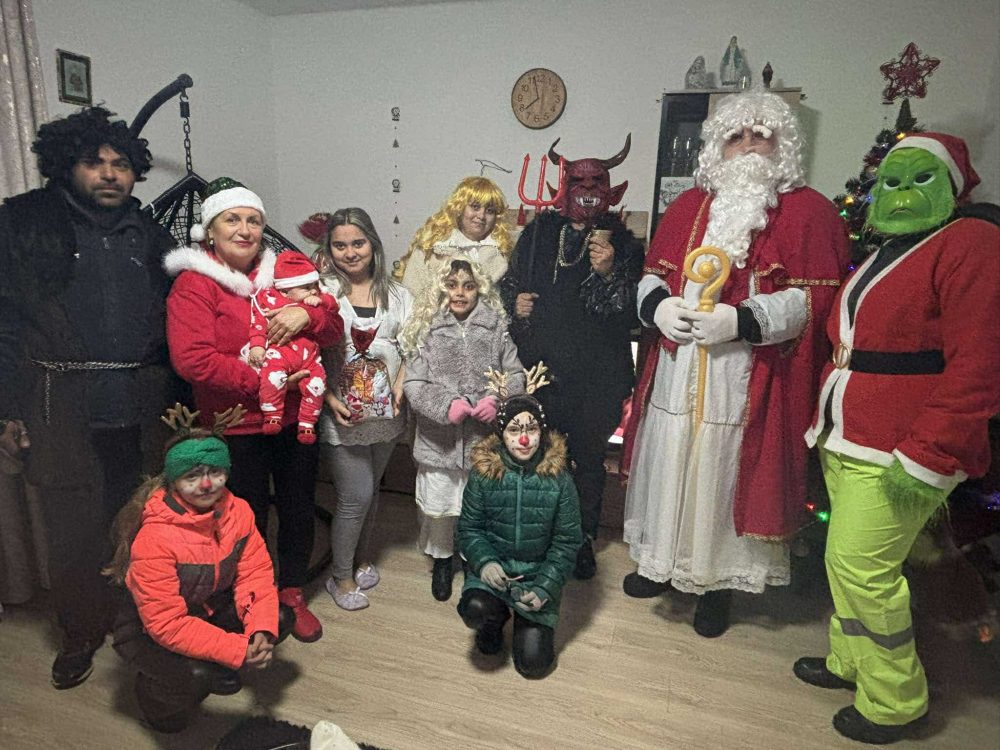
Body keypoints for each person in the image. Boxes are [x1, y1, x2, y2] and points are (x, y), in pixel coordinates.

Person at [620, 90, 850, 637]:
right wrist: (659, 307)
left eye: (760, 135)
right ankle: (660, 563)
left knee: (720, 471)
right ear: (717, 147)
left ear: (782, 144)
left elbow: (817, 300)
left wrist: (743, 320)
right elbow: (652, 274)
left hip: (743, 376)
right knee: (670, 457)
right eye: (735, 136)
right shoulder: (687, 206)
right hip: (676, 366)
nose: (747, 146)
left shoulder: (809, 211)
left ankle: (715, 584)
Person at [796, 133, 1000, 745]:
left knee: (864, 569)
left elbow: (980, 365)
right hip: (848, 435)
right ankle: (851, 662)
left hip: (899, 446)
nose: (903, 192)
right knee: (844, 562)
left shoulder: (970, 242)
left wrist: (929, 453)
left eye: (920, 178)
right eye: (892, 180)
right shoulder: (888, 248)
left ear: (953, 186)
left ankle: (895, 701)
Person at [0, 106, 176, 689]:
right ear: (65, 166)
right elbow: (5, 321)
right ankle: (80, 630)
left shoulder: (149, 234)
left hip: (140, 404)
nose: (108, 174)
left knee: (141, 519)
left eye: (120, 164)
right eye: (93, 162)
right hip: (60, 405)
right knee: (72, 528)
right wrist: (6, 409)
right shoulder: (26, 226)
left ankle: (143, 619)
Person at [164, 177, 343, 643]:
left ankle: (292, 593)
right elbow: (192, 360)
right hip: (236, 426)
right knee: (246, 516)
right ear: (210, 229)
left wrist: (308, 314)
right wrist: (265, 383)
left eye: (254, 220)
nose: (245, 229)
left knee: (298, 508)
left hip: (295, 421)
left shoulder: (284, 272)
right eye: (233, 219)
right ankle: (254, 595)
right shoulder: (194, 284)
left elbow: (333, 328)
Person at [500, 135, 644, 580]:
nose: (587, 188)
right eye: (578, 180)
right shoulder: (538, 233)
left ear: (610, 189)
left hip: (598, 377)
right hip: (544, 370)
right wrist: (516, 303)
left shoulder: (626, 244)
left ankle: (581, 538)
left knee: (588, 459)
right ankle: (541, 534)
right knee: (541, 454)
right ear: (564, 187)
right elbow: (510, 284)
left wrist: (608, 272)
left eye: (596, 181)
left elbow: (630, 314)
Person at [106, 407, 293, 733]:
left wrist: (259, 630)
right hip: (146, 630)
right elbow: (166, 624)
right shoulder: (155, 538)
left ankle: (209, 656)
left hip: (205, 606)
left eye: (215, 472)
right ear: (174, 480)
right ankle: (156, 698)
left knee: (277, 618)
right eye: (192, 476)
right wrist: (237, 649)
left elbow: (255, 575)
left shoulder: (239, 511)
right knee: (195, 678)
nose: (206, 484)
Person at [303, 208, 413, 611]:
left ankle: (361, 558)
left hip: (386, 415)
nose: (350, 253)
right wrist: (328, 399)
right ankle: (340, 576)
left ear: (373, 244)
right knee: (356, 495)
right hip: (341, 415)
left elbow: (413, 347)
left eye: (358, 243)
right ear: (329, 249)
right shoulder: (321, 292)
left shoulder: (399, 295)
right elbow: (306, 352)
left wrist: (401, 384)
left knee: (373, 491)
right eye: (340, 245)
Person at [401, 258, 524, 602]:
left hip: (481, 442)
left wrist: (497, 398)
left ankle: (475, 560)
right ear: (441, 288)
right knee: (440, 507)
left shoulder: (495, 327)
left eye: (468, 286)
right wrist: (444, 405)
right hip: (438, 442)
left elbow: (516, 374)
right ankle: (442, 560)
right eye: (452, 285)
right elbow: (414, 384)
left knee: (477, 507)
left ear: (479, 290)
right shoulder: (427, 328)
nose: (460, 293)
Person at [457, 371, 582, 678]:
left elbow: (567, 542)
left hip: (536, 577)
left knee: (533, 665)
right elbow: (469, 529)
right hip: (495, 572)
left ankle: (527, 619)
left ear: (542, 431)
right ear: (502, 434)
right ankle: (495, 618)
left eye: (531, 429)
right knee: (474, 608)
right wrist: (484, 562)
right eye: (514, 430)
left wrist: (545, 587)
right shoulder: (484, 474)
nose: (524, 439)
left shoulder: (560, 479)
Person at [248, 252, 334, 444]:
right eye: (306, 288)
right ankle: (272, 414)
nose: (313, 291)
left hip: (310, 359)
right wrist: (257, 346)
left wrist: (317, 305)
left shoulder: (317, 299)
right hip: (280, 355)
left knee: (317, 384)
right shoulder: (269, 300)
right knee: (272, 378)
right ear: (285, 291)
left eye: (315, 286)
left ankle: (308, 423)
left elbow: (333, 307)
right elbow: (258, 324)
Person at [395, 176, 513, 297]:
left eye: (490, 211)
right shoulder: (430, 248)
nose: (481, 216)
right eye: (475, 207)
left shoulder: (502, 254)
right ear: (459, 208)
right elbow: (410, 297)